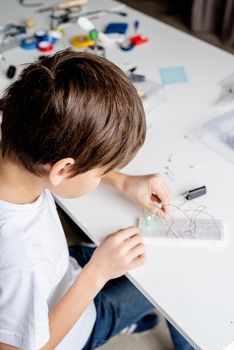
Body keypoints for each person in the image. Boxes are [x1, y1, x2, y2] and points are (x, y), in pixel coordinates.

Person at [0, 49, 194, 350]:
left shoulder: (13, 135)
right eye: (100, 170)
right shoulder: (21, 261)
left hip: (60, 269)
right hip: (74, 322)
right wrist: (97, 274)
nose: (104, 175)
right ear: (62, 169)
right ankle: (122, 321)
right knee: (175, 284)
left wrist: (122, 180)